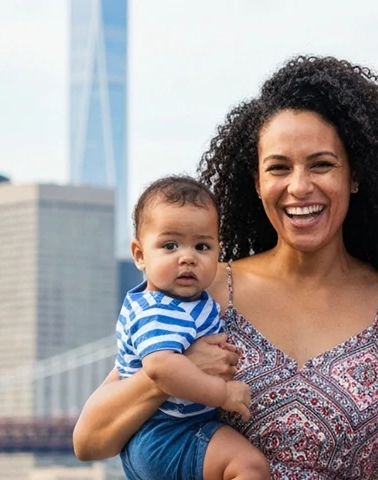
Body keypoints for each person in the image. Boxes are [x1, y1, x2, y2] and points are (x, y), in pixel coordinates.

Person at [72, 55, 378, 479]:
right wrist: (172, 374)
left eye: (321, 164)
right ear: (257, 182)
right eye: (279, 168)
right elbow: (90, 439)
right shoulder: (207, 288)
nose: (299, 187)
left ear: (355, 175)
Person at [114, 175, 268, 480]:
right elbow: (161, 368)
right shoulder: (156, 310)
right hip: (165, 433)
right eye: (170, 245)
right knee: (249, 468)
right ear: (140, 255)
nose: (187, 257)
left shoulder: (191, 302)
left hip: (178, 430)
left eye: (202, 246)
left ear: (218, 252)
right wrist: (222, 394)